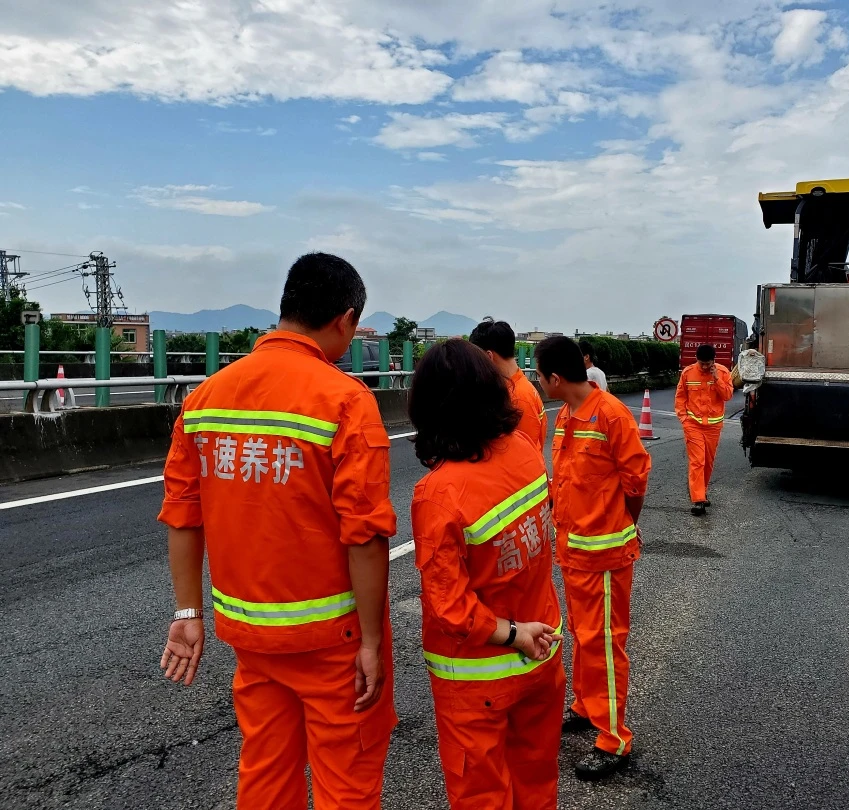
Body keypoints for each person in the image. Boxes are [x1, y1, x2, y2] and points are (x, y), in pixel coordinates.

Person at [157, 253, 397, 810]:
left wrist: (188, 614)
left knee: (266, 775)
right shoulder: (345, 401)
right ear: (345, 319)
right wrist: (370, 642)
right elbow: (364, 536)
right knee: (347, 783)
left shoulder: (204, 399)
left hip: (248, 634)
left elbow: (182, 515)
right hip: (330, 636)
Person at [409, 339, 565, 810]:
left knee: (482, 795)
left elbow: (449, 609)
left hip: (478, 678)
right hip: (543, 652)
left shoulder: (438, 493)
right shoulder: (521, 449)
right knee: (536, 782)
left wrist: (510, 633)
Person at [534, 336, 652, 781]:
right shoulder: (566, 415)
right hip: (575, 552)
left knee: (603, 643)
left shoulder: (611, 415)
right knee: (584, 637)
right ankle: (586, 706)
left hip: (603, 555)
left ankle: (613, 738)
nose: (537, 381)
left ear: (556, 378)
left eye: (540, 374)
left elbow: (636, 480)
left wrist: (622, 522)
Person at [469, 318, 548, 449]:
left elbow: (523, 453)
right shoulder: (516, 386)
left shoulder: (518, 397)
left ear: (488, 356)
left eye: (476, 359)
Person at [675, 344, 734, 516]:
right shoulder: (688, 373)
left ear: (713, 361)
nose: (705, 367)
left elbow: (728, 395)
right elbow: (680, 397)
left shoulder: (722, 372)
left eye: (708, 364)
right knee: (697, 461)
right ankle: (698, 499)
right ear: (697, 360)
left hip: (714, 427)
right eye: (702, 364)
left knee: (707, 463)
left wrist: (716, 379)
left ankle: (702, 491)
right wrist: (684, 419)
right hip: (693, 425)